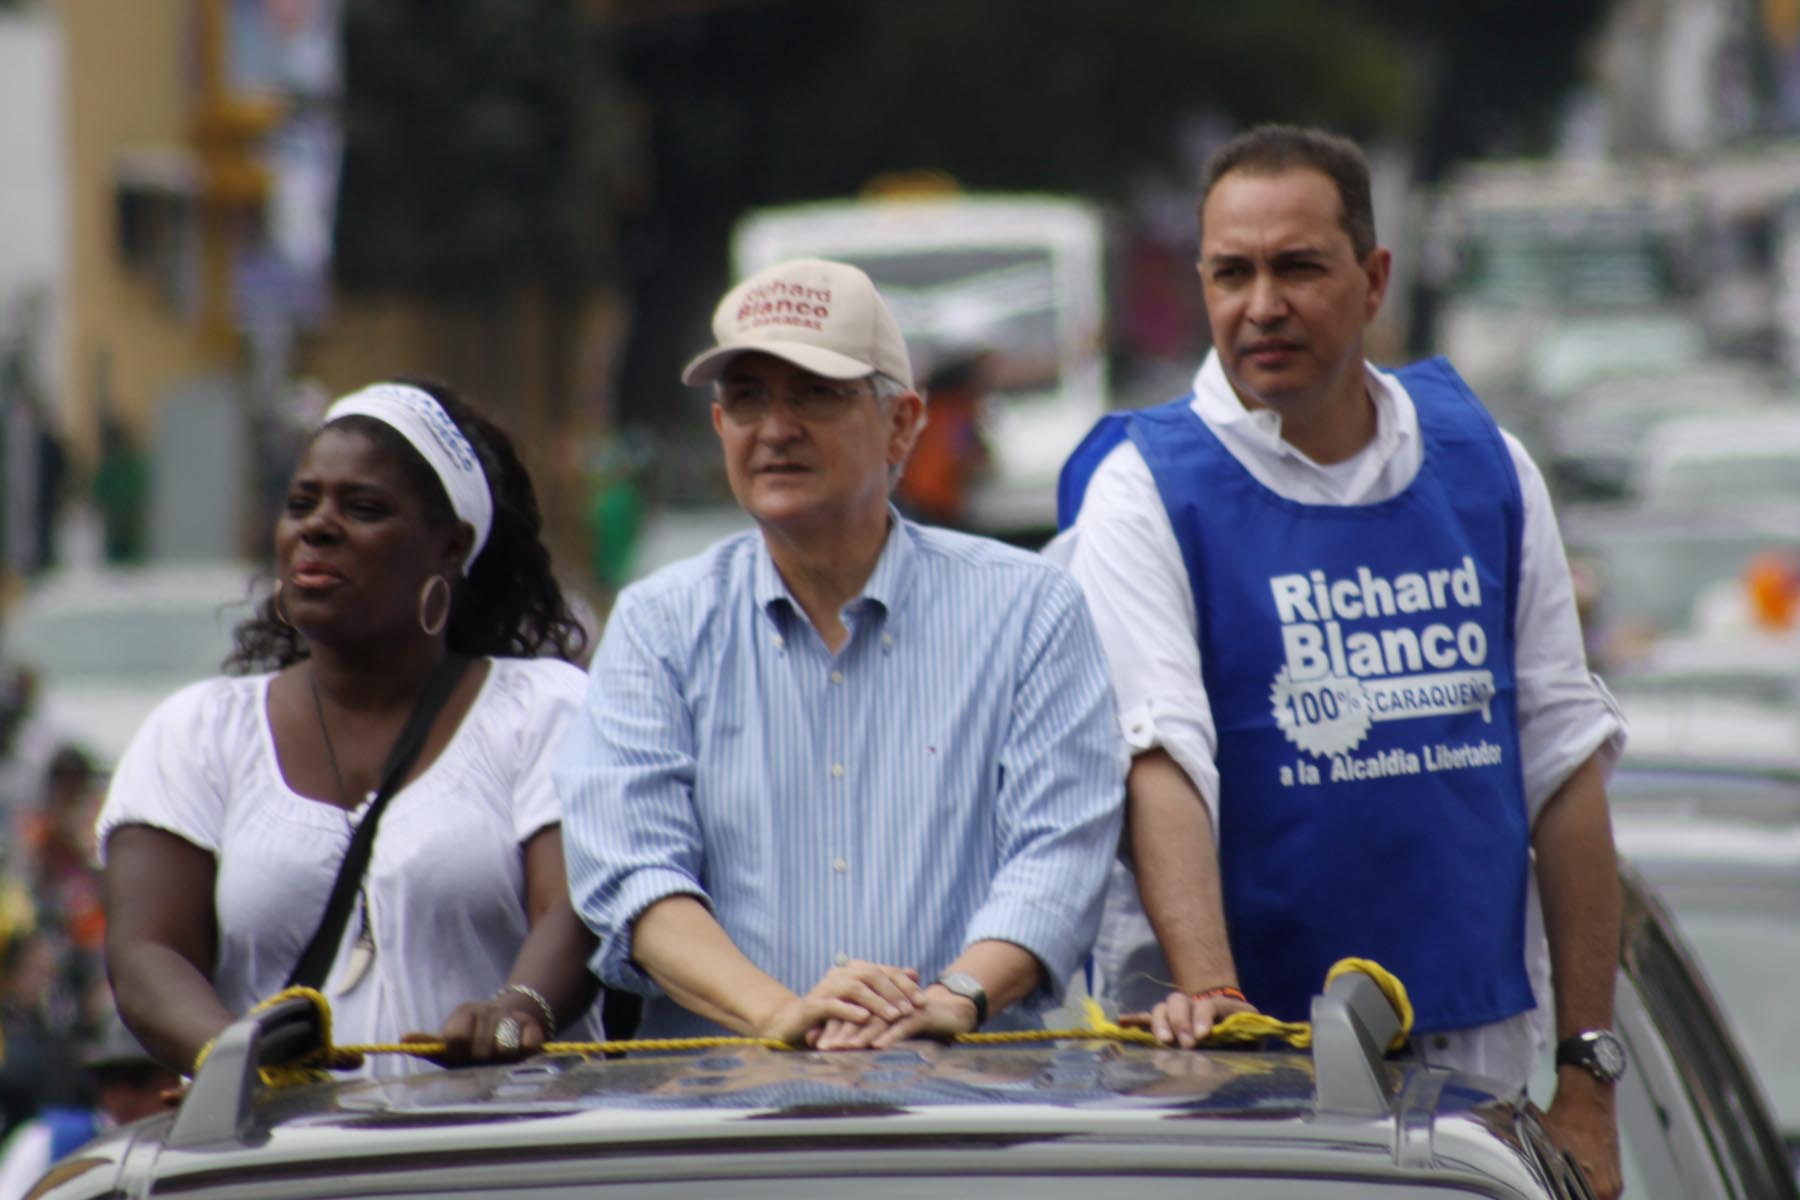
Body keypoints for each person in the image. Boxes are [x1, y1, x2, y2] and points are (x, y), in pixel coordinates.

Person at [1052, 126, 1627, 1198]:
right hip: (1245, 1091)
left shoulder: (1487, 468)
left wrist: (1588, 1077)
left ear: (1373, 280)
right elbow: (1158, 748)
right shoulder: (1144, 488)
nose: (1261, 304)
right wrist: (1213, 1001)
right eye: (1233, 272)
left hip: (1479, 1082)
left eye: (1298, 267)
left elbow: (1563, 762)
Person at [556, 257, 1124, 1050]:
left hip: (970, 1118)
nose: (776, 428)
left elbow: (1059, 854)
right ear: (720, 428)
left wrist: (957, 996)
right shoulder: (660, 624)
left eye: (816, 394)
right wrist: (779, 1014)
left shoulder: (1030, 609)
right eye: (747, 399)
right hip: (727, 1132)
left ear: (902, 423)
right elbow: (633, 877)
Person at [97, 380, 602, 1078]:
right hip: (282, 1165)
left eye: (363, 508)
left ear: (450, 548)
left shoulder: (544, 710)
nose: (318, 526)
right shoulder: (198, 732)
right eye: (301, 504)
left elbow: (577, 905)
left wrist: (519, 1007)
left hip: (505, 1155)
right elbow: (148, 954)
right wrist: (237, 1062)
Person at [0, 1012, 180, 1200]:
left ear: (174, 1081)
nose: (124, 1096)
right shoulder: (48, 1140)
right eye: (110, 1079)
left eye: (139, 1078)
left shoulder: (194, 1148)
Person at [895, 350, 993, 528]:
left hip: (921, 499)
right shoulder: (955, 415)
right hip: (932, 503)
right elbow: (972, 456)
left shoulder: (931, 414)